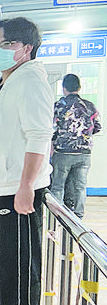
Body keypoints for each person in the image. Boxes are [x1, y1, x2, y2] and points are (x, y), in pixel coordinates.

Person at [0, 17, 54, 305]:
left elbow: (39, 136)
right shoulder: (7, 81)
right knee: (4, 263)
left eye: (7, 43)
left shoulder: (30, 81)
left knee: (20, 266)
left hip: (16, 189)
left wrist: (26, 187)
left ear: (27, 48)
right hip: (0, 186)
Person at [50, 73, 100, 218]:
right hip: (84, 154)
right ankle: (78, 217)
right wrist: (83, 136)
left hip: (63, 153)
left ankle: (57, 217)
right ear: (79, 87)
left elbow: (51, 128)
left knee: (58, 186)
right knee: (80, 187)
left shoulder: (58, 106)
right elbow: (97, 127)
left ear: (63, 88)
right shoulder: (90, 106)